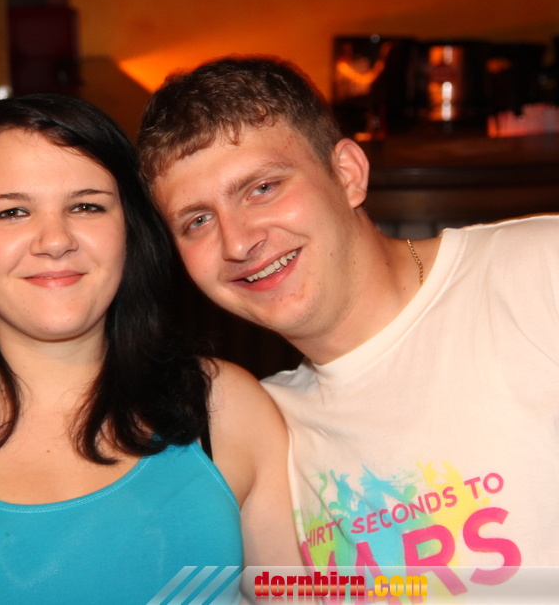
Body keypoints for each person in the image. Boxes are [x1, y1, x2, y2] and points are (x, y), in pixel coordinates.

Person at [0, 93, 302, 605]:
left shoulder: (225, 406)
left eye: (86, 206)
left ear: (128, 229)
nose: (55, 240)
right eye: (12, 212)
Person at [138, 56, 559, 591]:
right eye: (197, 220)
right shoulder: (263, 429)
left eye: (262, 188)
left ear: (347, 174)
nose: (238, 242)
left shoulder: (538, 271)